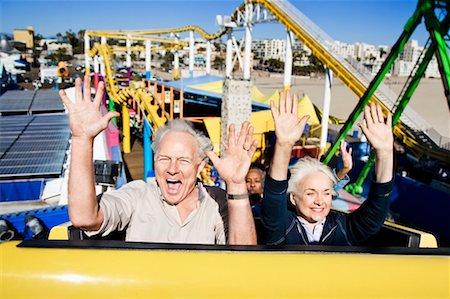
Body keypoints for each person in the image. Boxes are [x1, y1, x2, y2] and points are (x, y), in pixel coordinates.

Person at [59, 76, 257, 245]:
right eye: (164, 159)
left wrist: (237, 185)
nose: (172, 169)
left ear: (200, 168)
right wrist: (82, 140)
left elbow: (244, 258)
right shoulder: (138, 195)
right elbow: (84, 218)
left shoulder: (217, 202)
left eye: (183, 160)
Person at [261, 90, 394, 245]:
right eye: (310, 193)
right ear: (293, 197)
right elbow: (274, 194)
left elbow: (377, 207)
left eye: (326, 193)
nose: (320, 201)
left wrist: (385, 154)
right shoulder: (280, 228)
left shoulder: (343, 228)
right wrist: (283, 145)